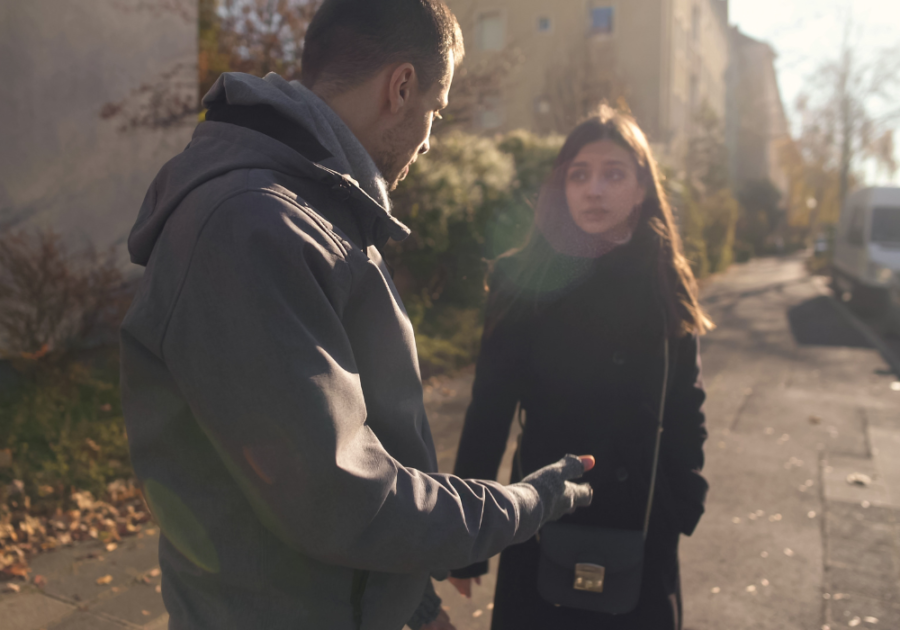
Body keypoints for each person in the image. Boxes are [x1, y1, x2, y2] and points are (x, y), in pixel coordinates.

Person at [119, 1, 594, 629]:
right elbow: (342, 499)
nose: (430, 138)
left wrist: (414, 602)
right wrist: (525, 503)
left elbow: (356, 456)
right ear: (400, 88)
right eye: (436, 110)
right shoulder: (250, 227)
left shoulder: (316, 213)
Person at [448, 105, 712, 630]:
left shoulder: (665, 282)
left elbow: (686, 405)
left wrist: (685, 501)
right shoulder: (523, 281)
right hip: (543, 521)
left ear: (641, 188)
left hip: (642, 526)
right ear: (562, 188)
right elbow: (489, 413)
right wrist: (469, 539)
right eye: (580, 174)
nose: (594, 189)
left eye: (614, 174)